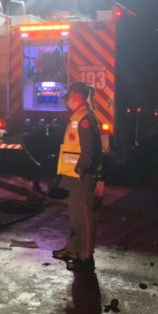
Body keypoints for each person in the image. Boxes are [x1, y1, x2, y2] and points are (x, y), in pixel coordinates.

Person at [52, 81, 102, 271]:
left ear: (78, 96)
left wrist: (82, 170)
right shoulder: (77, 116)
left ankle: (86, 256)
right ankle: (73, 249)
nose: (68, 100)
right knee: (74, 216)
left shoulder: (85, 119)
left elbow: (89, 150)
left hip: (82, 177)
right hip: (73, 176)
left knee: (84, 217)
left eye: (70, 96)